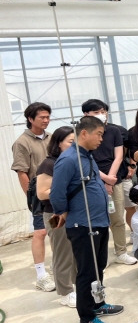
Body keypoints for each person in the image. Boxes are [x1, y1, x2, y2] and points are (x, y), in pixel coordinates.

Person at [51, 116, 124, 323]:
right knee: (86, 272)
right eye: (99, 134)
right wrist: (67, 212)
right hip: (83, 224)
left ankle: (97, 304)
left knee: (98, 266)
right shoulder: (68, 159)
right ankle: (86, 319)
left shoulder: (87, 156)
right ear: (84, 133)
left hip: (98, 221)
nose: (101, 139)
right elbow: (57, 194)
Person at [82, 99, 137, 265]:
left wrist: (110, 180)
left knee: (117, 218)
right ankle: (101, 257)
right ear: (86, 114)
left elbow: (118, 156)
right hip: (92, 182)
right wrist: (104, 179)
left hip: (115, 180)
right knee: (97, 222)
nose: (101, 114)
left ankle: (121, 252)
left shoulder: (113, 131)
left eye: (103, 111)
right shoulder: (82, 133)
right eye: (96, 112)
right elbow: (84, 159)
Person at [11, 102, 54, 292]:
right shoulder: (22, 142)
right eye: (42, 117)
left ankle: (58, 266)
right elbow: (22, 172)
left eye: (48, 117)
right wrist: (31, 197)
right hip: (38, 194)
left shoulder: (52, 138)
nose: (46, 120)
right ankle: (41, 275)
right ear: (30, 119)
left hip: (56, 191)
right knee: (40, 232)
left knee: (57, 228)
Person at [36, 126, 78, 307]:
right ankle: (65, 292)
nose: (74, 145)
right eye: (70, 142)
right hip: (55, 213)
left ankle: (76, 285)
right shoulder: (49, 164)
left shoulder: (72, 161)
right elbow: (42, 193)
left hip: (74, 212)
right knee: (62, 253)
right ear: (58, 143)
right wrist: (67, 191)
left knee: (75, 251)